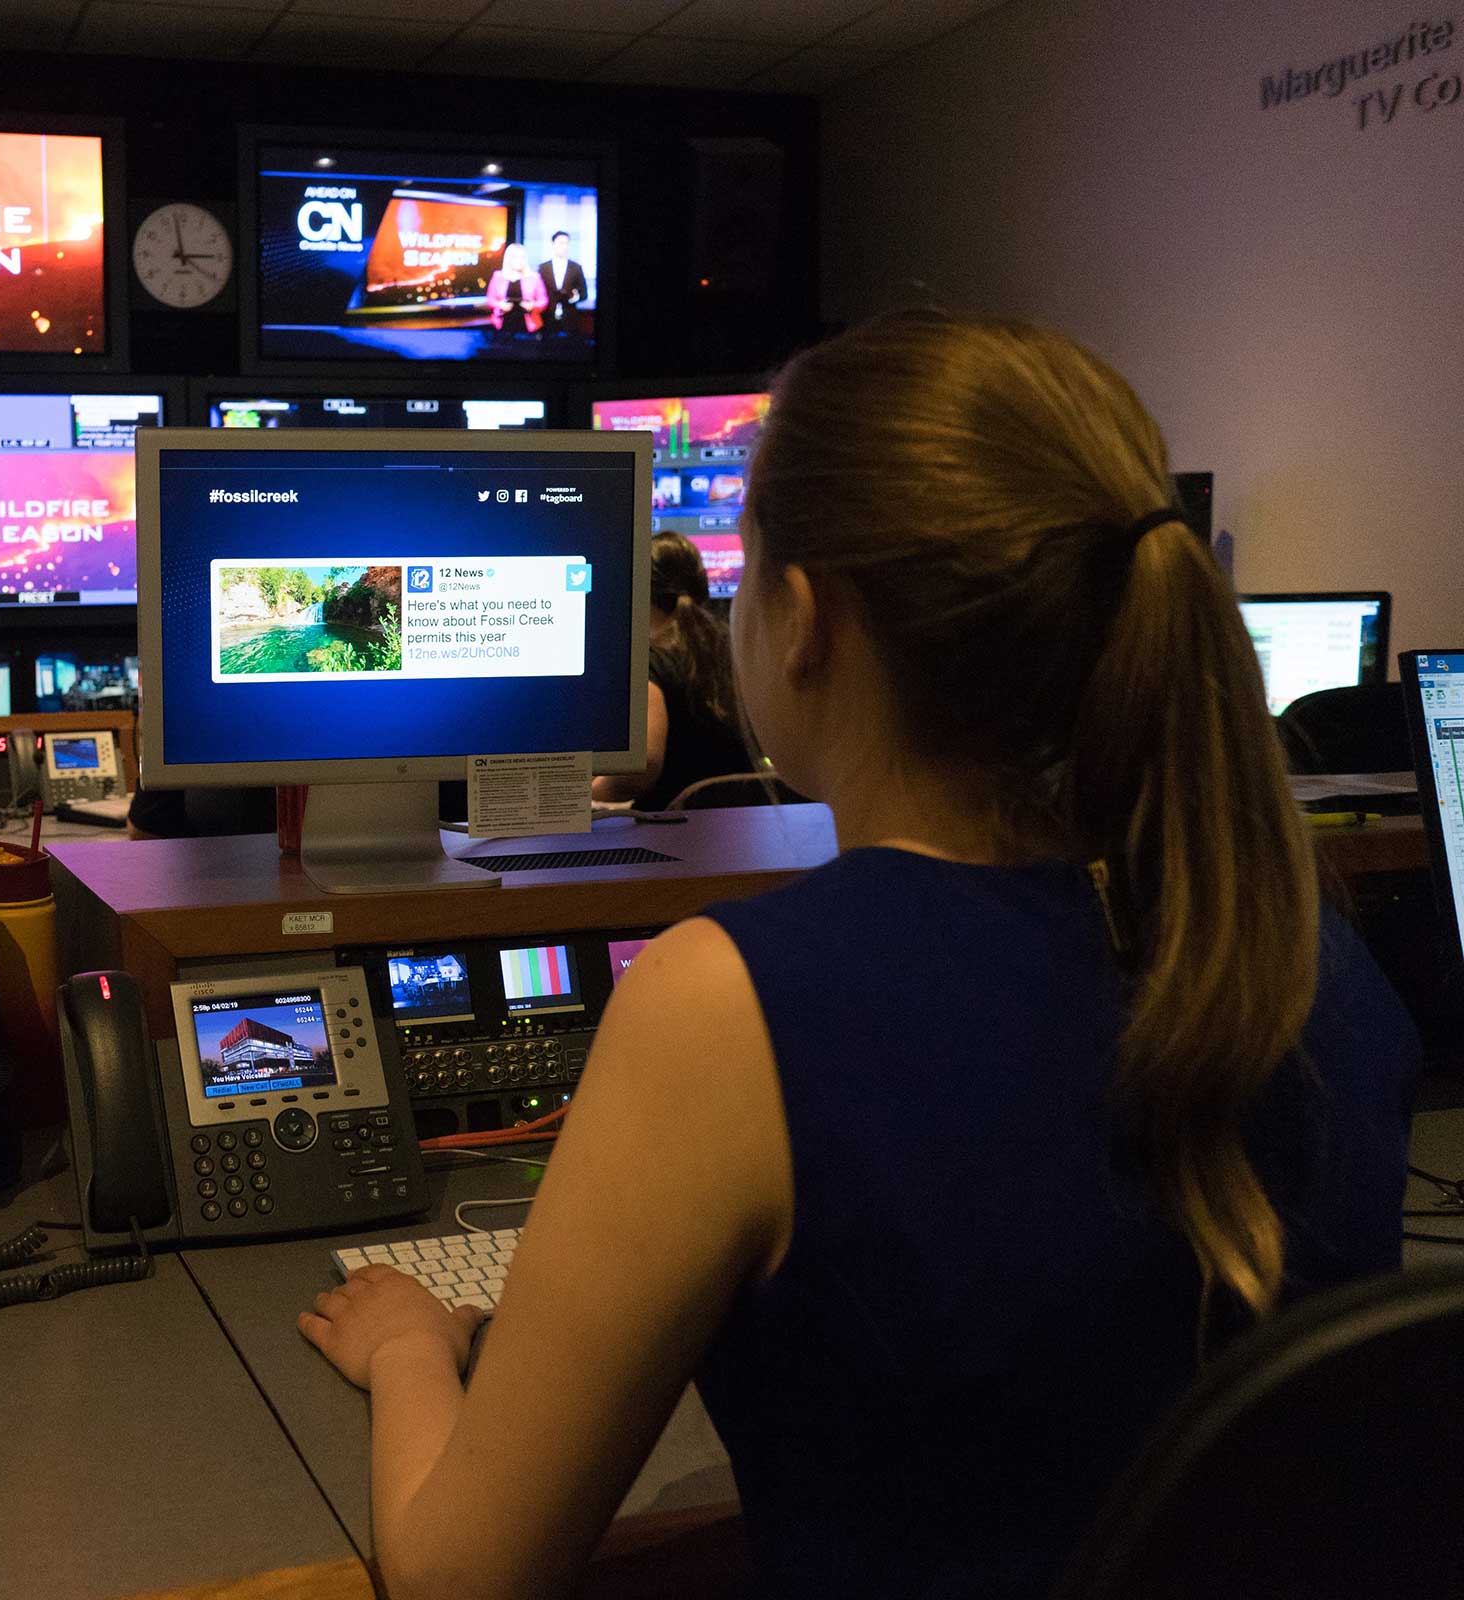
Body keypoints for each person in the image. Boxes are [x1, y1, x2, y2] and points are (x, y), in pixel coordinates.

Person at [297, 311, 1417, 1599]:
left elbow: (460, 1576)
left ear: (807, 620)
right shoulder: (1298, 944)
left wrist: (406, 1351)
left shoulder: (731, 1002)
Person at [591, 531, 749, 809]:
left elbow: (643, 767)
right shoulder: (735, 648)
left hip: (672, 832)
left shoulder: (651, 660)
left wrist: (581, 793)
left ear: (637, 591)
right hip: (741, 825)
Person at [484, 243, 548, 337]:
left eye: (522, 257)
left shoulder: (534, 277)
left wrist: (532, 305)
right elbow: (490, 300)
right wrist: (500, 305)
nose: (519, 261)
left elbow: (543, 301)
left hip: (528, 326)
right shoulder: (498, 276)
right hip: (503, 324)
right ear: (508, 259)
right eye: (515, 257)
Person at [537, 230, 588, 339]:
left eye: (566, 243)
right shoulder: (543, 268)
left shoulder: (576, 268)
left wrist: (575, 297)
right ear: (553, 244)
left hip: (570, 317)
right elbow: (538, 292)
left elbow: (584, 294)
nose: (564, 246)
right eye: (560, 243)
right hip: (547, 317)